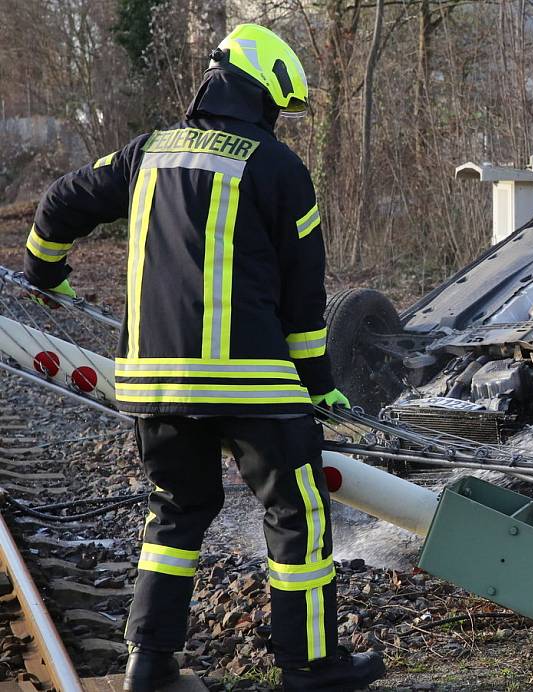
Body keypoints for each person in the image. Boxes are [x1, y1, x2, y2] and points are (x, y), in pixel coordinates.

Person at [22, 24, 385, 692]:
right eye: (278, 107)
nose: (277, 119)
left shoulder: (146, 152)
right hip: (253, 383)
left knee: (175, 509)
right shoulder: (278, 167)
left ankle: (149, 663)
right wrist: (319, 383)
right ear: (261, 92)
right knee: (297, 514)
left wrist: (44, 273)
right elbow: (304, 296)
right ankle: (309, 665)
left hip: (153, 382)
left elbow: (60, 203)